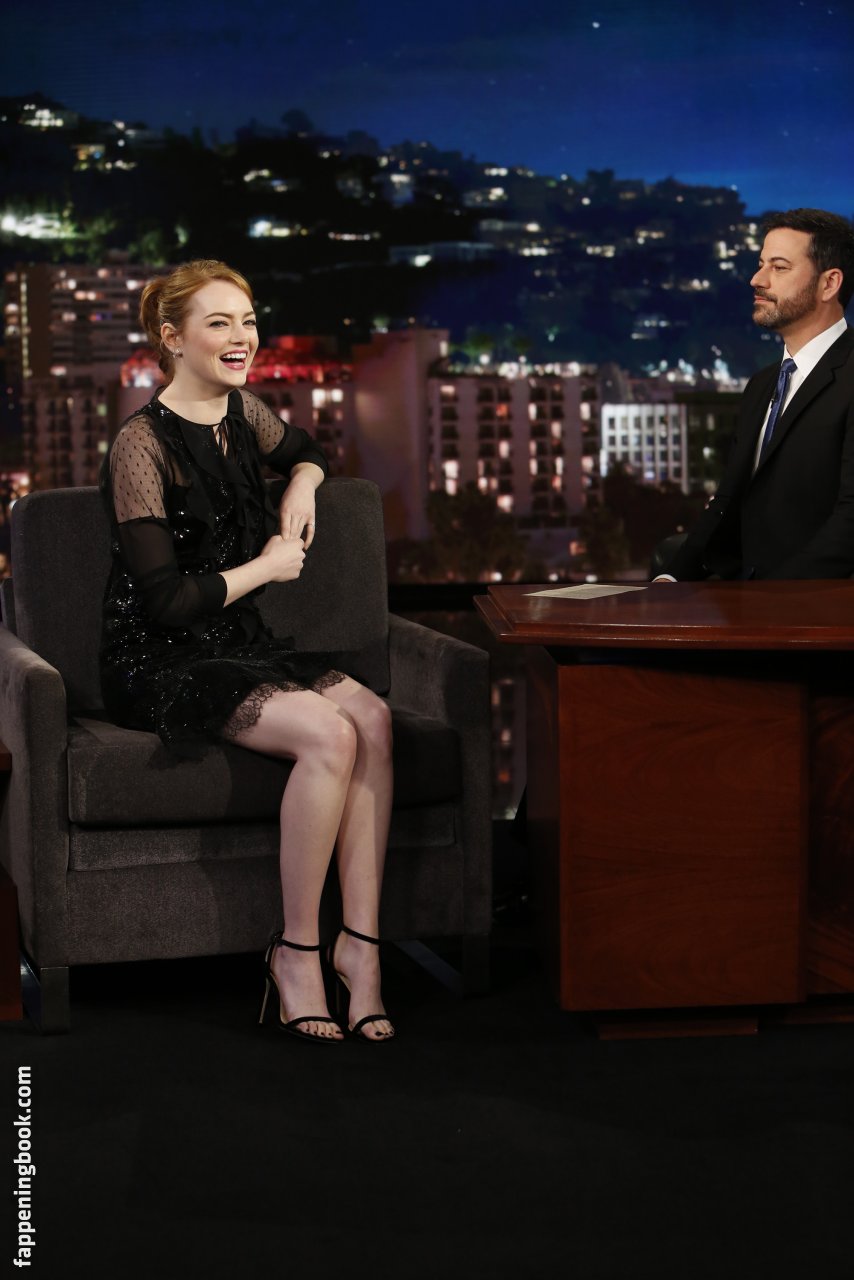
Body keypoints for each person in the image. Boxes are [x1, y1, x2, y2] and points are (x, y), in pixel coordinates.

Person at [99, 259, 394, 1043]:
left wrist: (301, 481)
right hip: (157, 656)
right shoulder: (139, 445)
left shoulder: (242, 415)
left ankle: (361, 949)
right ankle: (295, 953)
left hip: (234, 641)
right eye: (220, 323)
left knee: (373, 717)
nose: (242, 337)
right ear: (173, 338)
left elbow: (308, 448)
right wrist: (266, 566)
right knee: (330, 734)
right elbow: (164, 603)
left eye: (249, 320)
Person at [655, 208, 854, 581]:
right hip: (745, 595)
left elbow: (849, 523)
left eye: (779, 267)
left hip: (816, 603)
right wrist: (670, 580)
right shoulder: (761, 385)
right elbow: (727, 500)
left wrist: (770, 600)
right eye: (761, 265)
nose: (757, 279)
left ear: (829, 284)